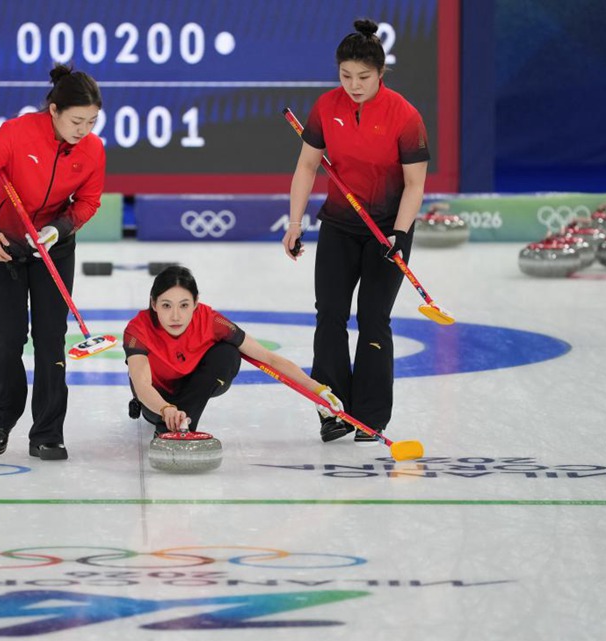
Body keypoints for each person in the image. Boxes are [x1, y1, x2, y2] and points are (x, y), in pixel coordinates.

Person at [281, 18, 430, 446]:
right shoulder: (327, 107)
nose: (353, 85)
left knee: (373, 319)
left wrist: (400, 235)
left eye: (363, 77)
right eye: (345, 76)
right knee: (329, 315)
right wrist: (295, 223)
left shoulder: (405, 116)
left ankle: (370, 415)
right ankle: (332, 409)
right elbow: (307, 166)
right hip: (340, 227)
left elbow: (415, 184)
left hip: (388, 231)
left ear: (381, 74)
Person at [0, 64, 105, 461]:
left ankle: (47, 433)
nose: (84, 130)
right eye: (77, 120)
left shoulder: (92, 150)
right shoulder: (16, 134)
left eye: (92, 121)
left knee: (51, 338)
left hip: (53, 247)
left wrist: (60, 228)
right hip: (5, 242)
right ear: (54, 109)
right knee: (9, 337)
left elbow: (89, 201)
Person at [123, 266, 342, 434]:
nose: (176, 316)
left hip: (194, 387)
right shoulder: (138, 329)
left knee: (227, 353)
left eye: (184, 305)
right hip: (157, 401)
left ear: (196, 303)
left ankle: (182, 426)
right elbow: (142, 385)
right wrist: (165, 409)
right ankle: (169, 424)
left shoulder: (211, 320)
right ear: (153, 304)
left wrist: (318, 390)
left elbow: (267, 357)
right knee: (161, 406)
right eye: (166, 305)